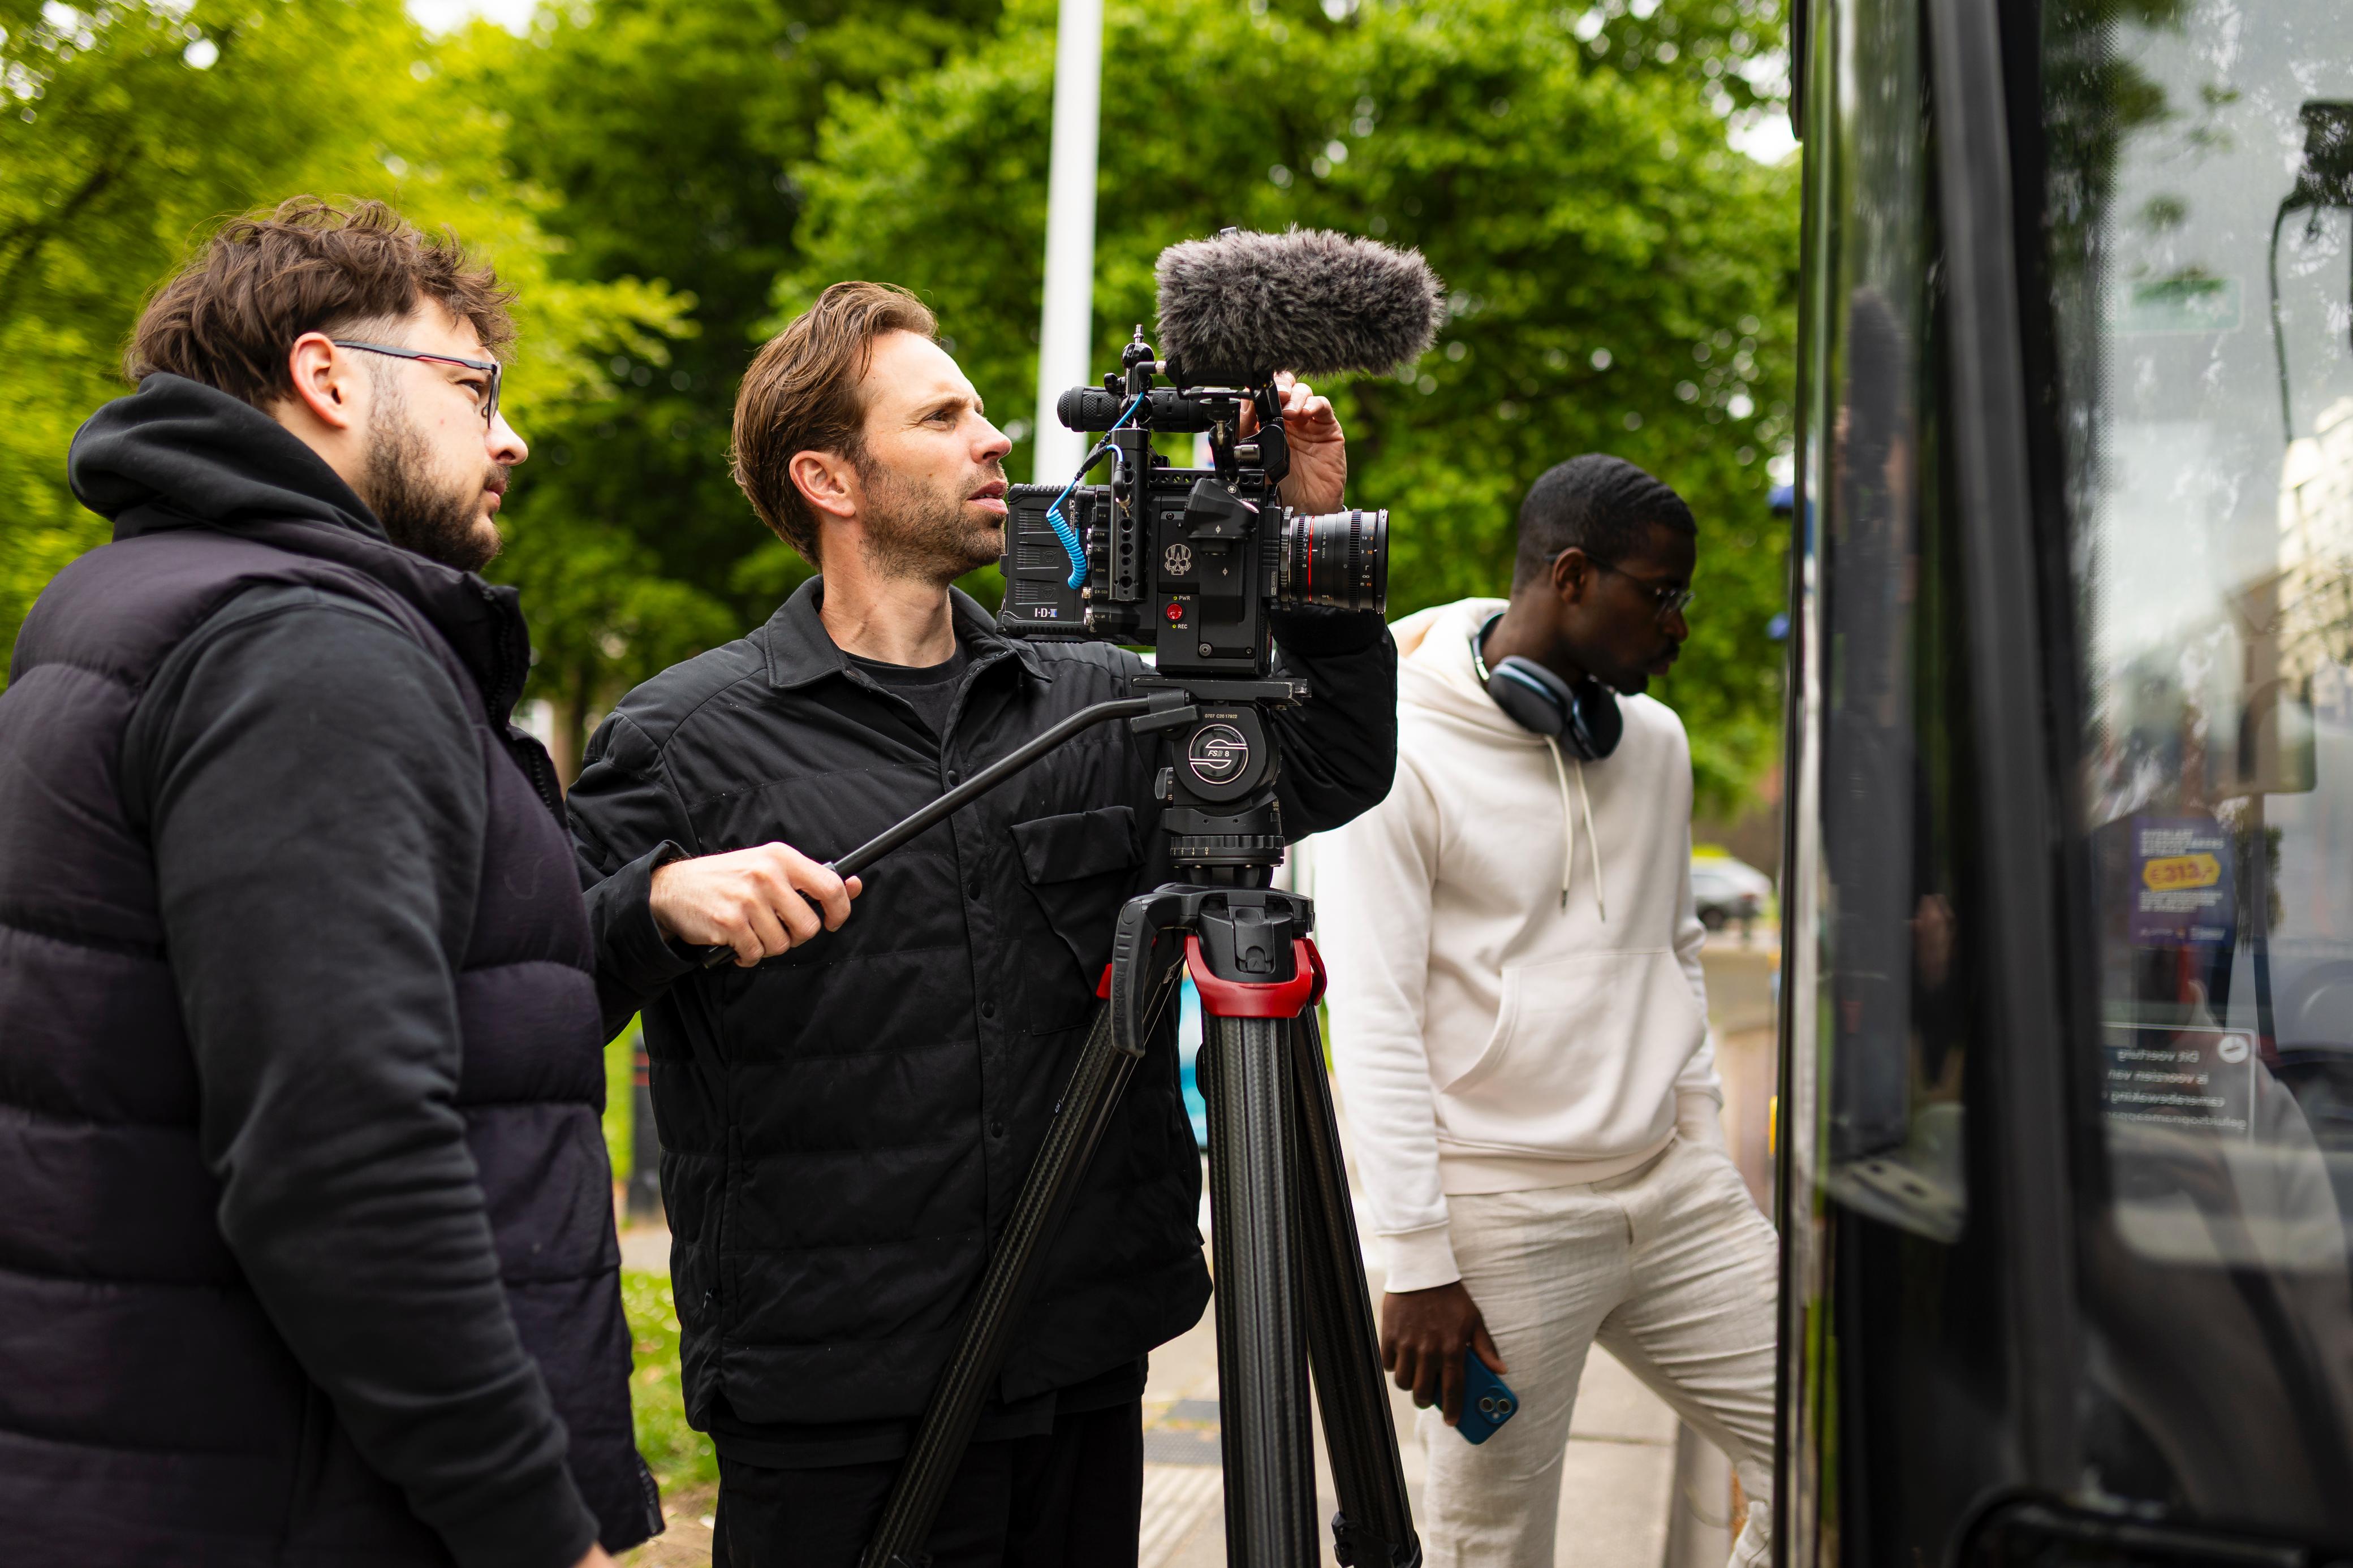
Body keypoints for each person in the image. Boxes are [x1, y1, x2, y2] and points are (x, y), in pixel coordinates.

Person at [566, 280, 1398, 1567]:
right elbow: (539, 981)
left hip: (1077, 1360)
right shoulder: (684, 737)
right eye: (943, 415)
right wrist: (659, 901)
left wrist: (1319, 539)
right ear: (830, 479)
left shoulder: (1096, 698)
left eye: (981, 408)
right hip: (838, 1392)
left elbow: (1325, 773)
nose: (995, 435)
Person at [0, 199, 655, 1566]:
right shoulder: (302, 648)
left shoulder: (137, 601)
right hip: (298, 1500)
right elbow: (338, 1154)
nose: (510, 436)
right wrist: (539, 1527)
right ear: (329, 376)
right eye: (476, 388)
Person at [1318, 455, 1775, 1567]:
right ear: (1571, 576)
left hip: (1676, 1200)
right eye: (1661, 594)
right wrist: (1415, 1259)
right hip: (1503, 1223)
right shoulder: (1392, 756)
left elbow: (1672, 947)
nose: (1679, 626)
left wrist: (1703, 1144)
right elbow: (1371, 1016)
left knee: (1843, 1450)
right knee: (1491, 1550)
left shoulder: (1652, 745)